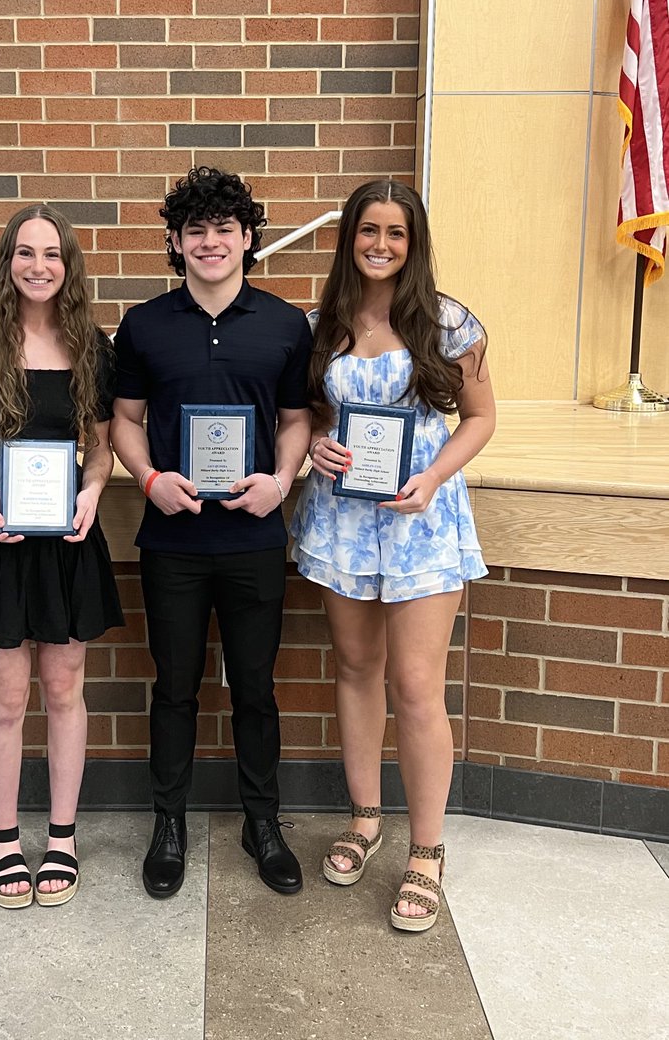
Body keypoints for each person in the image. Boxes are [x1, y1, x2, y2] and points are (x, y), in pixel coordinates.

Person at [290, 179, 495, 933]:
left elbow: (480, 417)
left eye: (396, 233)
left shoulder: (446, 321)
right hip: (343, 520)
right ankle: (366, 818)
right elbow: (313, 417)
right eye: (368, 231)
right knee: (354, 669)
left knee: (415, 684)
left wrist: (433, 476)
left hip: (420, 522)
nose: (380, 245)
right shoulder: (321, 325)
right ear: (349, 238)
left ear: (414, 243)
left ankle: (428, 850)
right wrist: (316, 442)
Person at [111, 167, 313, 898]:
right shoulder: (143, 326)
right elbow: (124, 421)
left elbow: (297, 422)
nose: (210, 241)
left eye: (224, 227)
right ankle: (169, 826)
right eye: (195, 229)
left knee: (256, 689)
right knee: (173, 689)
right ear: (174, 241)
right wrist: (149, 479)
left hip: (255, 541)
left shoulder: (287, 325)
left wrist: (282, 480)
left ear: (248, 236)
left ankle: (264, 825)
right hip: (175, 545)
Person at [0, 204, 123, 910]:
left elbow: (100, 448)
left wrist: (94, 491)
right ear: (8, 262)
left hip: (66, 539)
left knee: (65, 691)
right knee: (7, 699)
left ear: (69, 265)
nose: (40, 265)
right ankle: (5, 838)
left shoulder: (91, 346)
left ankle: (61, 836)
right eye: (26, 252)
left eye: (53, 254)